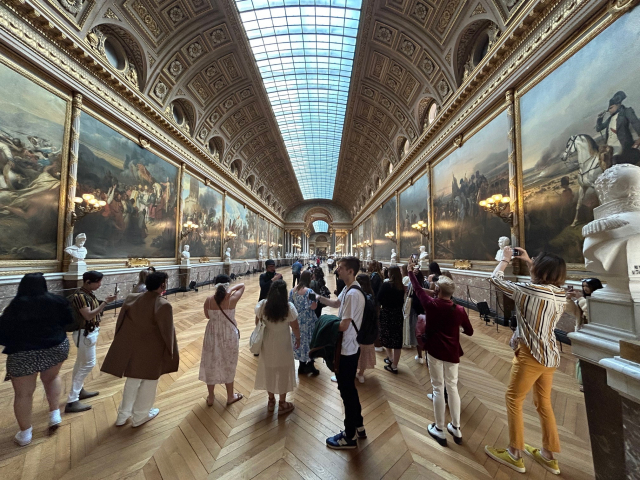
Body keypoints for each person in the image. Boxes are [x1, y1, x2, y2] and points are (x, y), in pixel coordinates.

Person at [485, 247, 569, 475]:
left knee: (513, 398)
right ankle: (549, 455)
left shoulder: (528, 291)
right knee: (544, 404)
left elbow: (495, 279)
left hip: (531, 354)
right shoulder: (561, 294)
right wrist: (530, 261)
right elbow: (544, 281)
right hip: (550, 355)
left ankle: (514, 453)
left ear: (540, 270)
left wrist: (504, 259)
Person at [0, 273, 74, 446]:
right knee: (52, 378)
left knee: (24, 394)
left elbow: (2, 333)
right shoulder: (58, 301)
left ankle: (25, 434)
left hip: (24, 353)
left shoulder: (16, 306)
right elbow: (69, 321)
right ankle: (54, 415)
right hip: (55, 347)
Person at [408, 259, 473, 447]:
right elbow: (469, 332)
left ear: (437, 291)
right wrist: (455, 326)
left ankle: (439, 428)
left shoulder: (432, 305)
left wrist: (411, 272)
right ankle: (456, 427)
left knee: (438, 388)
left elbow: (418, 289)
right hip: (452, 353)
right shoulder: (459, 310)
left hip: (435, 351)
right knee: (452, 388)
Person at [101, 272, 179, 427]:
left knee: (132, 380)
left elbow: (120, 323)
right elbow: (168, 332)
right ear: (163, 285)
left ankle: (123, 415)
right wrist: (171, 352)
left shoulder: (131, 298)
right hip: (152, 350)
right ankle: (140, 416)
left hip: (131, 346)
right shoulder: (163, 305)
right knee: (149, 382)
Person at [317, 256, 366, 449]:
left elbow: (344, 325)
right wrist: (318, 298)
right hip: (348, 346)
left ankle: (349, 436)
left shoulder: (354, 294)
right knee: (349, 390)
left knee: (347, 392)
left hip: (347, 348)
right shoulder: (348, 289)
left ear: (351, 271)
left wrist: (324, 326)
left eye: (341, 268)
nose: (337, 270)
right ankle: (359, 426)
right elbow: (337, 304)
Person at [65, 270, 117, 413]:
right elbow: (88, 316)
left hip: (88, 332)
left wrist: (104, 303)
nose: (100, 284)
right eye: (97, 282)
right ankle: (72, 399)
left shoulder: (87, 294)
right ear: (88, 282)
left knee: (81, 362)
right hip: (85, 333)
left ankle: (79, 391)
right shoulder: (80, 296)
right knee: (89, 363)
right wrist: (105, 302)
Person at [254, 280, 300, 414]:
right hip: (283, 343)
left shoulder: (263, 305)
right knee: (283, 371)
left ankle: (270, 400)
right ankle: (282, 403)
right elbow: (295, 326)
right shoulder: (288, 307)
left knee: (269, 369)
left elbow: (257, 323)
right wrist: (298, 338)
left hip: (268, 342)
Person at [200, 275, 245, 406]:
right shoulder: (232, 299)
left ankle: (211, 397)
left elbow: (207, 316)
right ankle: (230, 396)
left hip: (212, 335)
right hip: (229, 335)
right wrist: (231, 289)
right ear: (227, 285)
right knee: (229, 363)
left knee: (211, 363)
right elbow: (242, 285)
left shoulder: (208, 300)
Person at [566, 278, 603, 391]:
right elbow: (572, 311)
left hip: (595, 333)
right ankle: (583, 381)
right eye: (583, 286)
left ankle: (595, 381)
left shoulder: (600, 300)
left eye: (587, 286)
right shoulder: (583, 299)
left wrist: (580, 299)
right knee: (581, 357)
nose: (585, 288)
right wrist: (568, 299)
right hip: (582, 330)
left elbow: (590, 313)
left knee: (593, 357)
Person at [595, 90, 640, 165]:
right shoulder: (610, 119)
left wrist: (637, 142)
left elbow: (636, 123)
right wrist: (600, 119)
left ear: (618, 105)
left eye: (611, 108)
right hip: (609, 148)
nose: (609, 111)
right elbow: (598, 128)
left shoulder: (627, 111)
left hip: (623, 147)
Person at [289, 271, 319, 375]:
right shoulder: (310, 291)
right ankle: (310, 365)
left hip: (296, 320)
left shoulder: (293, 291)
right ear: (309, 279)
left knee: (300, 341)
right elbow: (314, 306)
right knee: (310, 341)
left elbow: (290, 305)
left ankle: (301, 366)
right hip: (308, 321)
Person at [379, 266, 407, 374]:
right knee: (397, 339)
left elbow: (379, 298)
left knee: (386, 336)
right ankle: (394, 365)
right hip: (397, 314)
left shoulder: (386, 285)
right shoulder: (402, 287)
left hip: (386, 313)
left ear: (391, 274)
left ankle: (390, 358)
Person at [355, 273, 377, 383]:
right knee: (364, 353)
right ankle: (361, 374)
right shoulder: (371, 294)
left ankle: (353, 372)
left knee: (355, 352)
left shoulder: (361, 296)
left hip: (360, 329)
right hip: (369, 330)